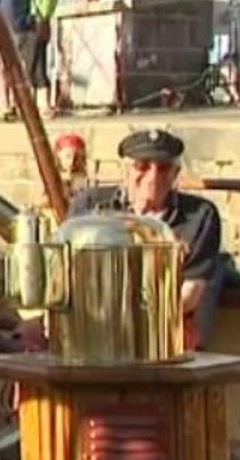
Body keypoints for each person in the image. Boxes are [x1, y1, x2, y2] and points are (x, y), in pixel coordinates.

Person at [69, 129, 224, 350]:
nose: (153, 177)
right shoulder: (89, 206)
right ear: (124, 171)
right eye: (142, 166)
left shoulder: (199, 215)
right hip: (92, 324)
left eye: (163, 168)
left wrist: (134, 324)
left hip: (162, 331)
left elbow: (190, 294)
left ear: (176, 173)